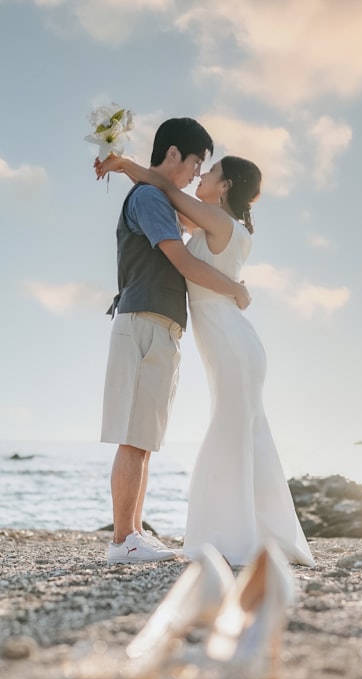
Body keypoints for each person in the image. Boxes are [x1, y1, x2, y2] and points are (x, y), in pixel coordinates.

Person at [97, 152, 315, 567]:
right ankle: (249, 533)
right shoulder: (210, 223)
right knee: (244, 434)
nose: (203, 175)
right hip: (231, 345)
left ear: (227, 186)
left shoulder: (218, 223)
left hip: (233, 345)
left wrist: (124, 164)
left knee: (231, 433)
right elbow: (160, 202)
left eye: (211, 172)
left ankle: (230, 538)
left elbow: (166, 191)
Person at [99, 118, 252, 565]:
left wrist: (126, 165)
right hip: (143, 318)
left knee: (143, 436)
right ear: (173, 155)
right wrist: (235, 289)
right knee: (132, 434)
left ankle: (133, 533)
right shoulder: (148, 199)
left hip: (160, 321)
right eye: (195, 162)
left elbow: (187, 215)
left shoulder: (158, 196)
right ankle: (123, 538)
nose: (195, 173)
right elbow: (181, 260)